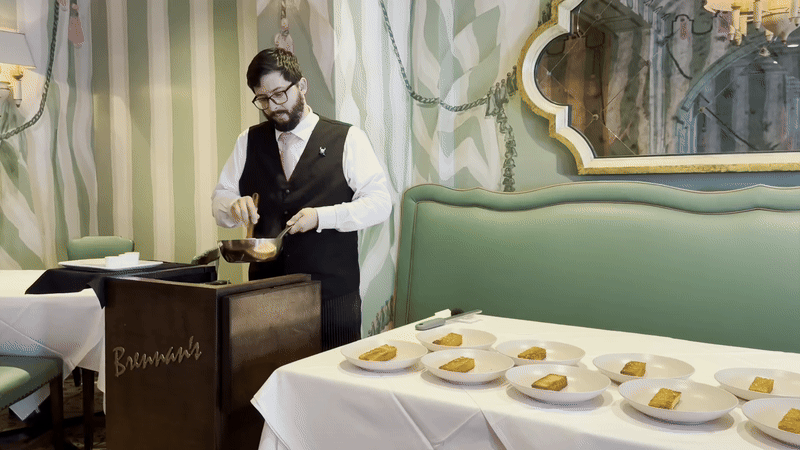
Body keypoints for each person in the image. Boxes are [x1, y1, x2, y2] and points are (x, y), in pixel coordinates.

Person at [212, 48, 391, 350]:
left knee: (332, 386)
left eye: (280, 94)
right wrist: (232, 205)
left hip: (332, 299)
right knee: (267, 383)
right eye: (263, 99)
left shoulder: (347, 139)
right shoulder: (248, 141)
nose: (273, 107)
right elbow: (221, 198)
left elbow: (380, 203)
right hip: (266, 296)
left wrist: (323, 217)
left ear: (302, 86)